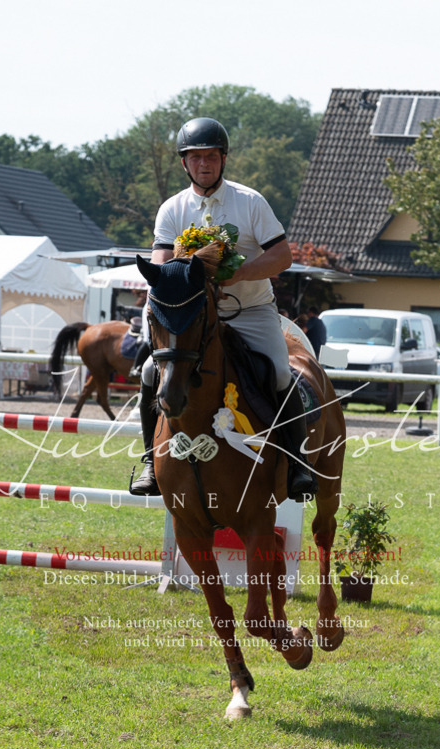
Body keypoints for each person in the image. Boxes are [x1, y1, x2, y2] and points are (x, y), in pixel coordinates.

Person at [130, 116, 317, 501]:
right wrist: (176, 274)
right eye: (195, 157)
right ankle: (151, 460)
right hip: (193, 316)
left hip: (250, 309)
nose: (204, 164)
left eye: (211, 156)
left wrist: (240, 273)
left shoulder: (250, 201)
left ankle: (298, 463)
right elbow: (160, 260)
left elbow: (282, 256)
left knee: (280, 372)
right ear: (185, 163)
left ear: (223, 158)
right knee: (150, 370)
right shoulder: (172, 208)